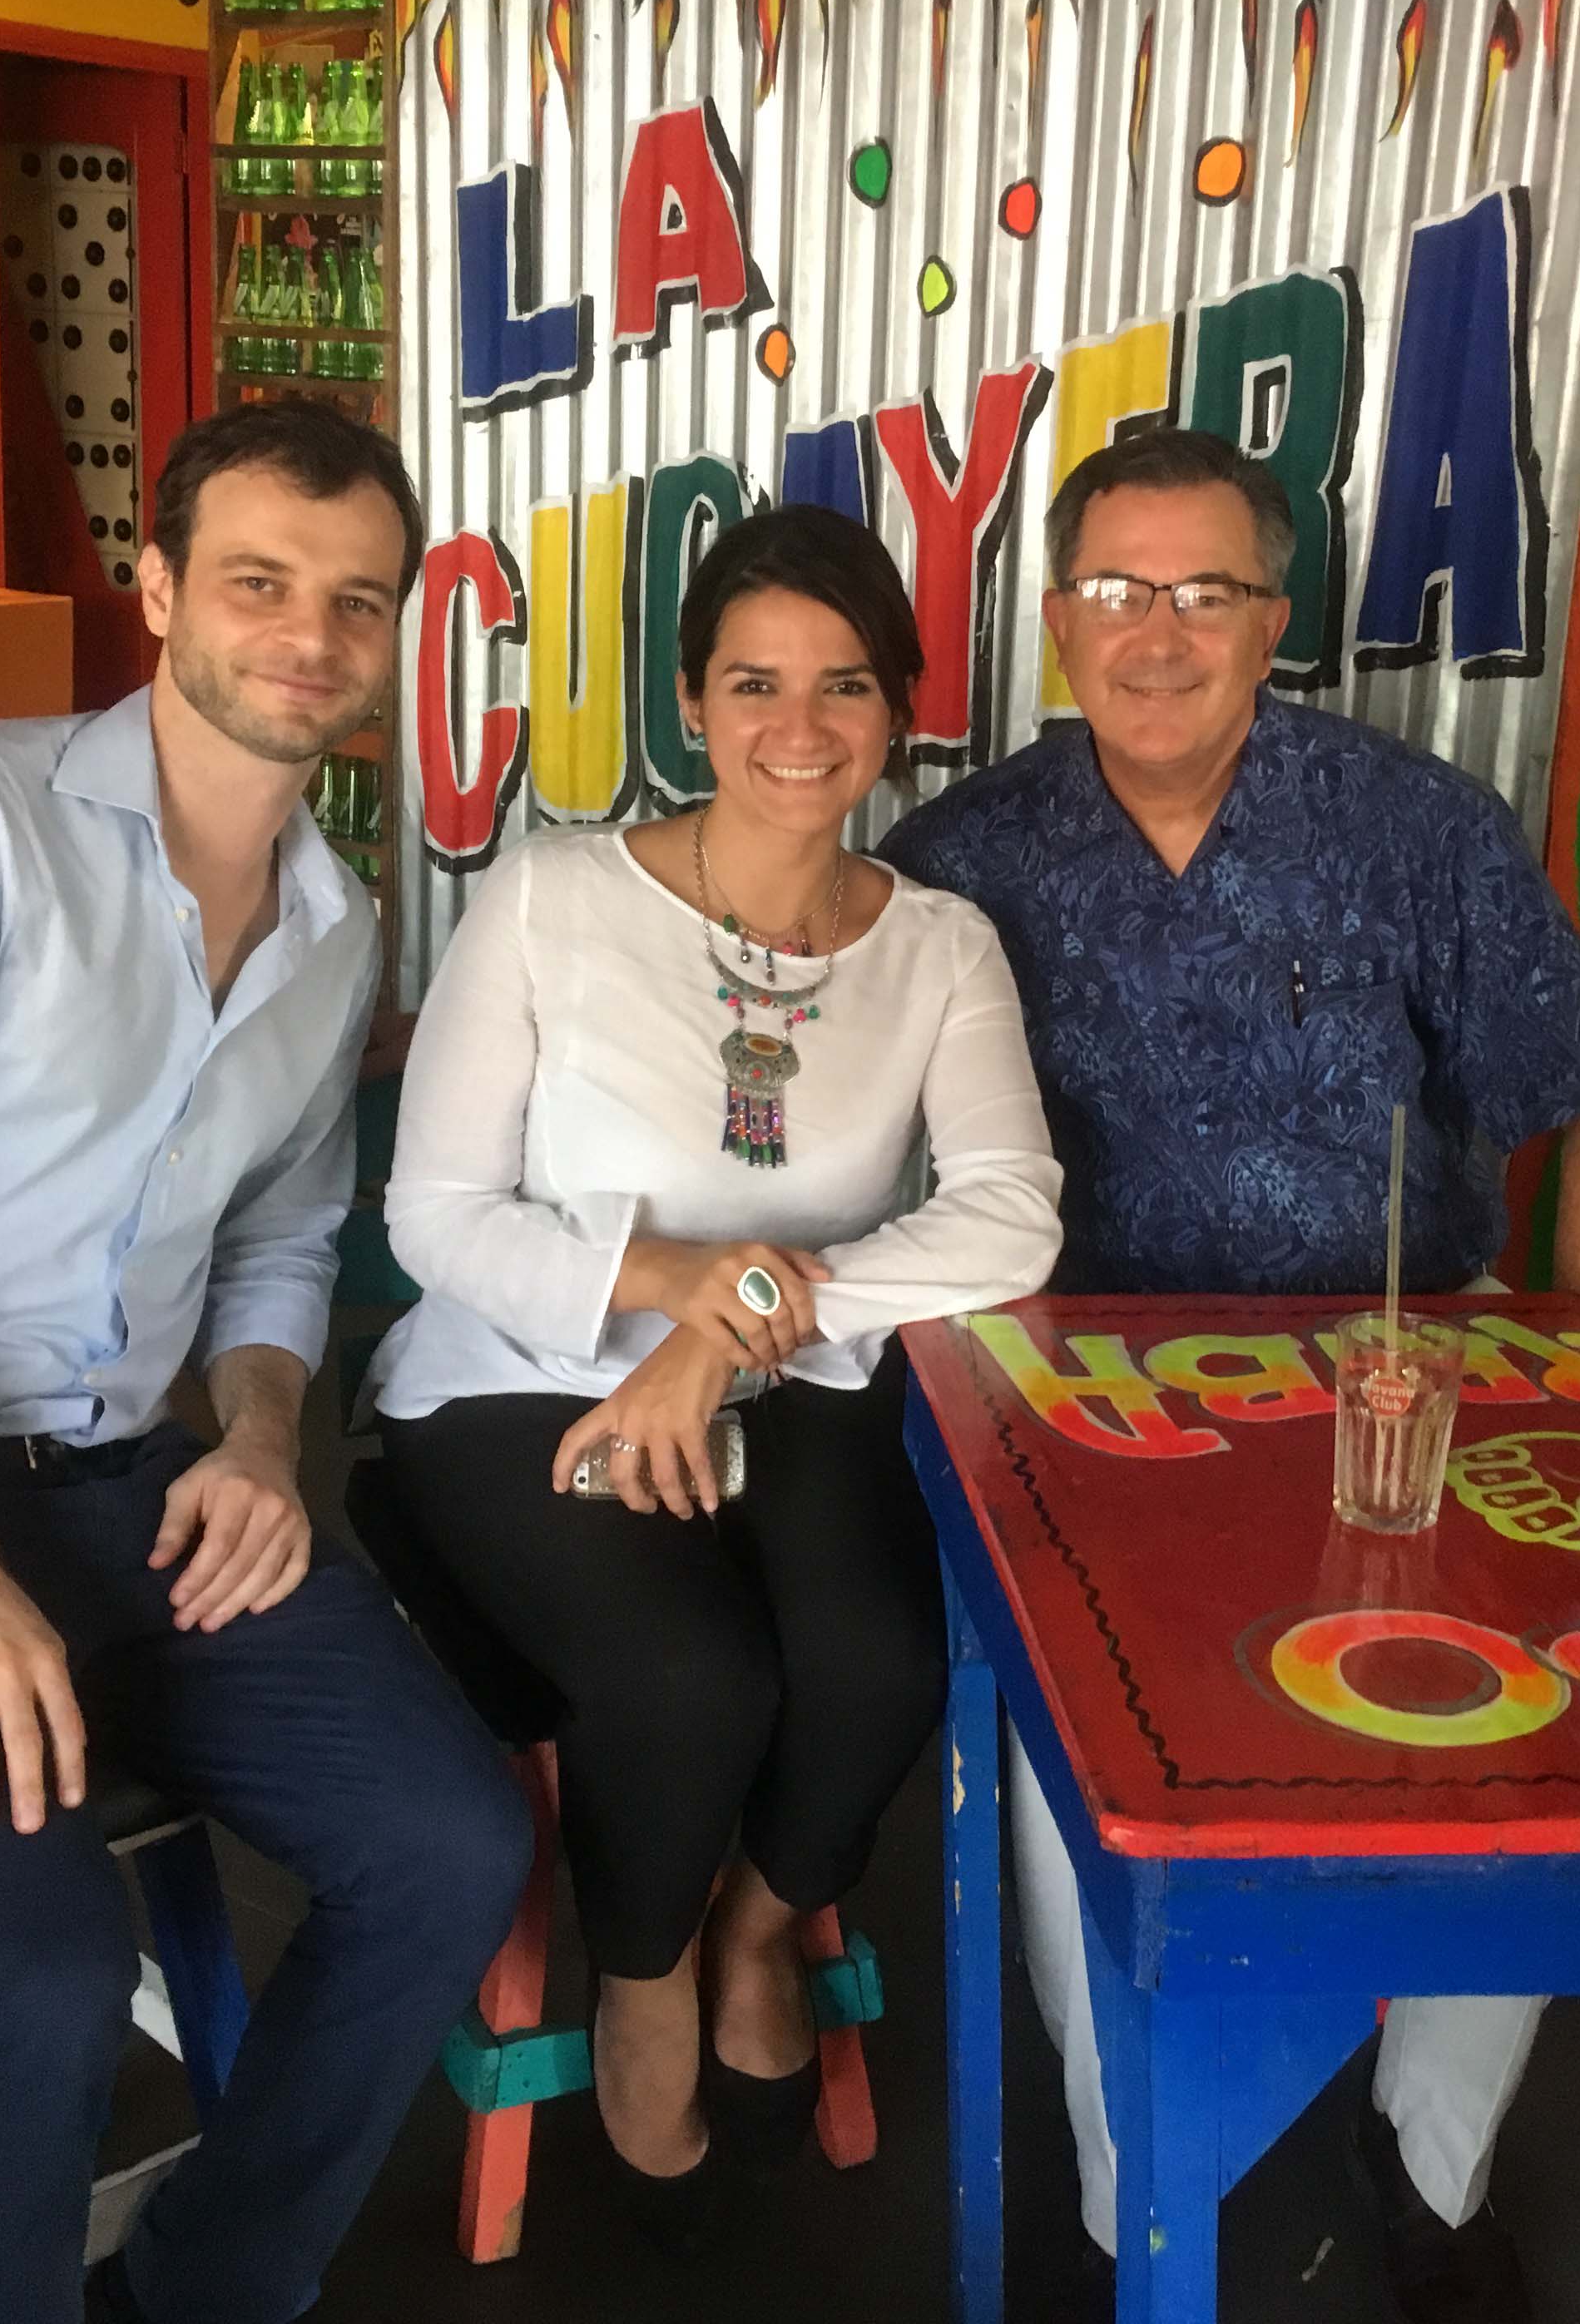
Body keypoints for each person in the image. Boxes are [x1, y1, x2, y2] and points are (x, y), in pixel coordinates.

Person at [0, 403, 531, 2324]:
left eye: (356, 599)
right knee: (38, 1963)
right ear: (155, 590)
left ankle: (202, 2290)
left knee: (452, 1840)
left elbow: (289, 1240)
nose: (308, 633)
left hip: (131, 1491)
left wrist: (255, 1437)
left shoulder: (334, 925)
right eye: (256, 581)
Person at [882, 429, 1580, 2322]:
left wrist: (1572, 1367)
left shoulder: (1413, 829)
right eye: (1116, 591)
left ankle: (1432, 2165)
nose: (1157, 635)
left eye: (1204, 592)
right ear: (1057, 618)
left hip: (1399, 1410)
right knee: (1089, 1807)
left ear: (1272, 620)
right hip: (1082, 1441)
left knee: (1524, 1757)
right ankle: (1131, 2184)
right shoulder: (956, 864)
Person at [361, 504, 1062, 2240]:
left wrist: (737, 1326)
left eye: (842, 685)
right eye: (754, 682)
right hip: (516, 1374)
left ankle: (763, 1915)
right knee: (690, 1679)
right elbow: (437, 1215)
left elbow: (1012, 1218)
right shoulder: (550, 900)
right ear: (692, 703)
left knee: (881, 1661)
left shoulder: (940, 946)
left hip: (791, 1385)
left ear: (900, 710)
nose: (797, 727)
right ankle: (652, 1970)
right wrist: (683, 1284)